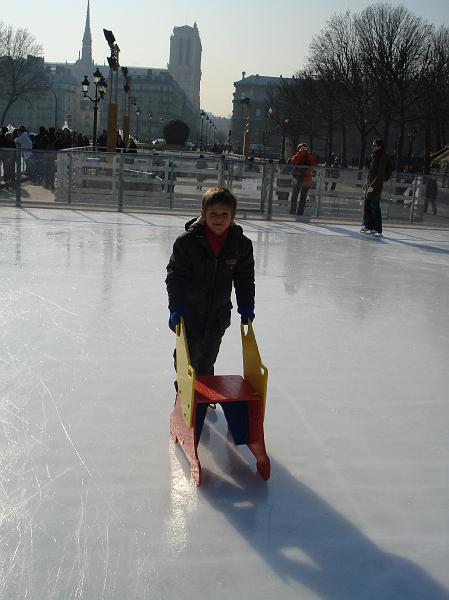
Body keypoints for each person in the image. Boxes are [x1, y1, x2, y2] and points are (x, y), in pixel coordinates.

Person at [166, 186, 255, 444]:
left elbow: (245, 278)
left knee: (209, 354)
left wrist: (246, 307)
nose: (218, 219)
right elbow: (175, 277)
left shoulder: (241, 245)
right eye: (213, 213)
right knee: (187, 358)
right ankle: (185, 394)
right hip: (188, 314)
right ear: (203, 214)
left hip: (217, 314)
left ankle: (202, 394)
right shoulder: (187, 242)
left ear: (233, 216)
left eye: (224, 214)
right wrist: (176, 308)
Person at [360, 138, 388, 236]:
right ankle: (368, 225)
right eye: (372, 145)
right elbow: (370, 172)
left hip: (376, 186)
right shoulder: (373, 156)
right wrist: (366, 184)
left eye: (374, 145)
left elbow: (380, 174)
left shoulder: (382, 157)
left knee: (375, 206)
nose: (372, 147)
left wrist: (373, 186)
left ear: (379, 146)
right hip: (370, 184)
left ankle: (377, 228)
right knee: (367, 205)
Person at [288, 143, 318, 215]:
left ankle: (300, 212)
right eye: (301, 149)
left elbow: (314, 163)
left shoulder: (309, 156)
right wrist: (299, 153)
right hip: (297, 178)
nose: (304, 151)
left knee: (303, 197)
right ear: (298, 150)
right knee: (294, 196)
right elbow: (293, 162)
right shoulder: (297, 156)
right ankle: (292, 211)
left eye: (305, 149)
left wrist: (308, 154)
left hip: (306, 179)